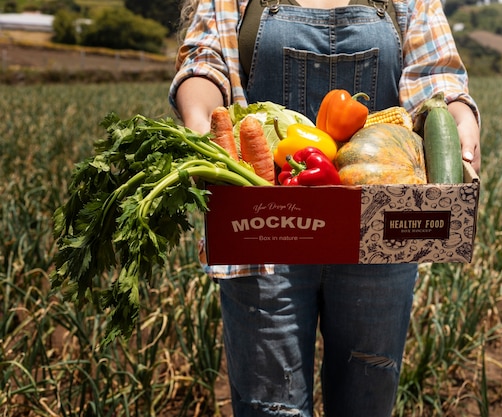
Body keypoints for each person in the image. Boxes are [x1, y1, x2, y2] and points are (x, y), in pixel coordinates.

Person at [169, 0, 481, 415]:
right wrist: (200, 121)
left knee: (366, 402)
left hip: (378, 227)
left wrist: (458, 120)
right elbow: (204, 63)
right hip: (263, 227)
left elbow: (435, 77)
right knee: (271, 407)